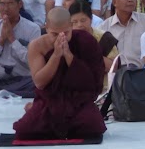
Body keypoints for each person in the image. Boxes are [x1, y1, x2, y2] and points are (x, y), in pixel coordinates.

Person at [12, 8, 108, 140]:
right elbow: (40, 83)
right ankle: (35, 108)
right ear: (46, 27)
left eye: (66, 33)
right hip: (50, 102)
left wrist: (68, 56)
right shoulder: (37, 45)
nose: (60, 38)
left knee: (93, 127)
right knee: (24, 131)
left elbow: (91, 83)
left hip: (78, 101)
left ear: (71, 26)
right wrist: (56, 56)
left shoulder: (86, 40)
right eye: (54, 34)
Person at [101, 0, 145, 66]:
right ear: (114, 2)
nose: (130, 0)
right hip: (116, 74)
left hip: (141, 73)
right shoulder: (104, 27)